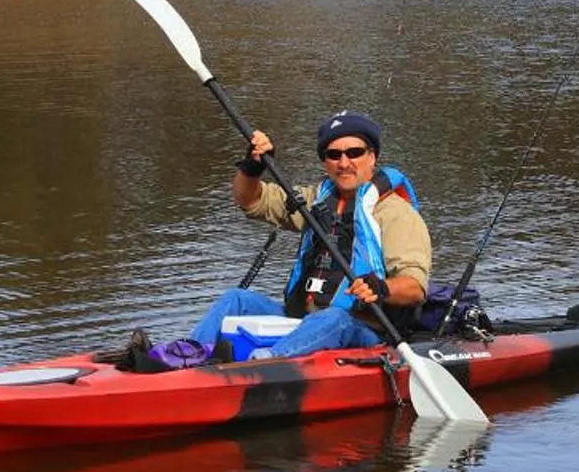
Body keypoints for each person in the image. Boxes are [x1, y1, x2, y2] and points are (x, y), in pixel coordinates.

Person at [185, 110, 432, 359]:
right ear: (325, 161)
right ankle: (184, 357)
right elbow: (251, 200)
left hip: (362, 331)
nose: (344, 163)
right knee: (236, 299)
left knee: (334, 317)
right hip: (301, 319)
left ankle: (264, 364)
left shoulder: (397, 214)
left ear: (372, 156)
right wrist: (252, 167)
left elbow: (415, 287)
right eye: (334, 155)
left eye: (354, 153)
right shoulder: (315, 201)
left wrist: (381, 288)